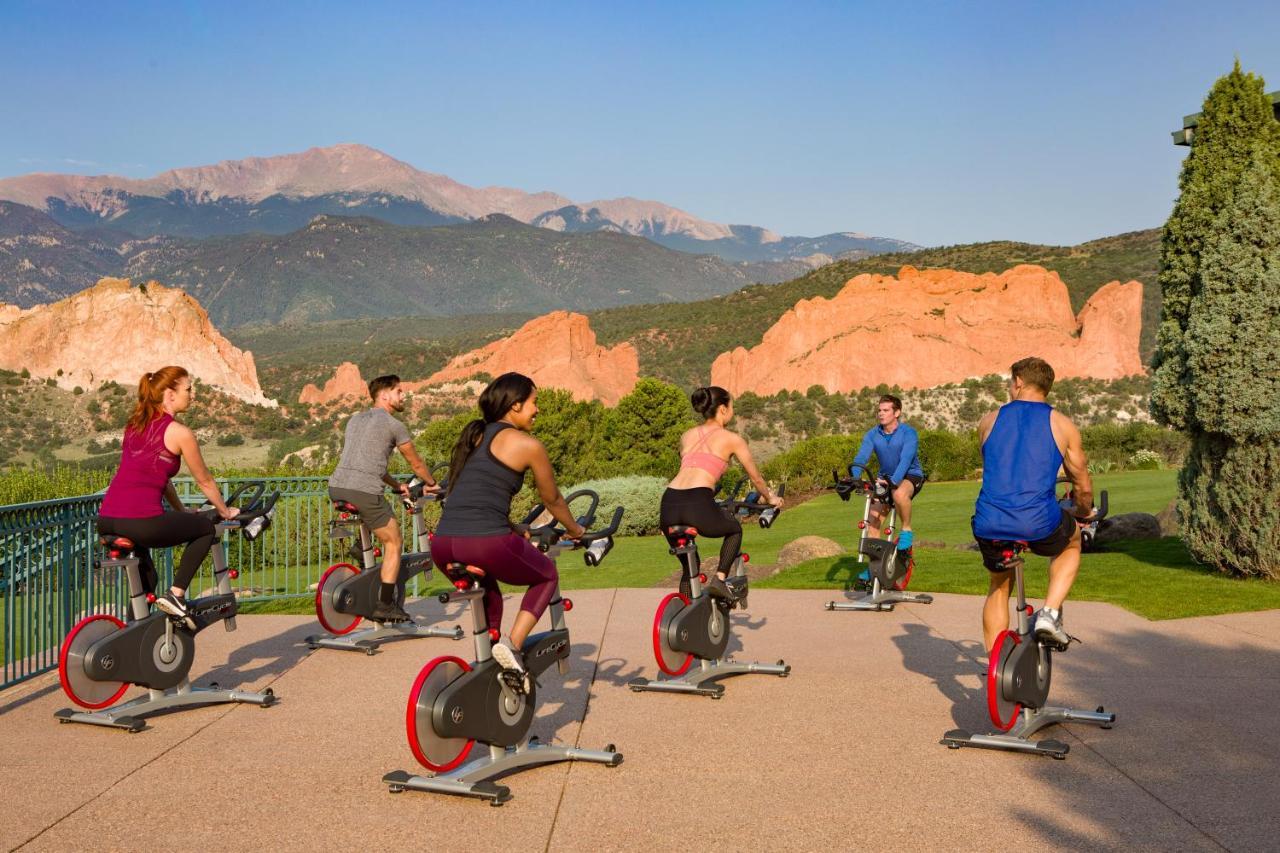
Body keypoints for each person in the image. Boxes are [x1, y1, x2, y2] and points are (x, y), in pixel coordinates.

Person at [430, 372, 585, 688]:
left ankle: (486, 673)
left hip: (443, 543)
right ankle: (512, 647)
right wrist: (577, 531)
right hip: (487, 542)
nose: (537, 409)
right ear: (515, 406)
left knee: (491, 598)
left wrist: (514, 527)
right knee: (546, 577)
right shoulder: (528, 445)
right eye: (533, 402)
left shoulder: (474, 436)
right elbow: (552, 498)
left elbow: (471, 497)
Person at [97, 367, 239, 623]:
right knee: (205, 528)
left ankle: (132, 638)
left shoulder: (134, 426)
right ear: (170, 394)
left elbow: (159, 479)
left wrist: (181, 510)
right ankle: (176, 595)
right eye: (188, 389)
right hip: (141, 520)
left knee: (147, 579)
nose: (192, 395)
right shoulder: (179, 432)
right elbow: (204, 480)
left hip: (108, 517)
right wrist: (225, 511)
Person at [972, 356, 1095, 651]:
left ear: (1017, 382)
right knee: (1073, 540)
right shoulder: (1063, 425)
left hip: (989, 521)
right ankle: (1050, 614)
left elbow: (1000, 467)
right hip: (1037, 522)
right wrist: (1083, 510)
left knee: (999, 585)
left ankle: (996, 671)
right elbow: (1082, 484)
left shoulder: (988, 420)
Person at [328, 374, 439, 623]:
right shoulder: (394, 425)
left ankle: (360, 546)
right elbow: (416, 462)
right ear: (385, 395)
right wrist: (432, 484)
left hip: (336, 487)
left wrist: (396, 484)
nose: (404, 396)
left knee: (375, 516)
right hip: (363, 490)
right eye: (399, 391)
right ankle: (385, 605)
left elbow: (370, 463)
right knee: (394, 541)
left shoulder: (354, 420)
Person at [661, 386, 783, 602]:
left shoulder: (687, 435)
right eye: (732, 406)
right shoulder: (732, 439)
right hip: (696, 499)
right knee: (734, 529)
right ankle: (719, 579)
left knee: (691, 568)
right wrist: (770, 497)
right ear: (723, 409)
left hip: (669, 501)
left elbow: (691, 469)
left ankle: (683, 613)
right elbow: (756, 479)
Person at [848, 394, 925, 551]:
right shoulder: (872, 434)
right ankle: (876, 566)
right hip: (885, 478)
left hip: (910, 475)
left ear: (896, 413)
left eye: (885, 410)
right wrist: (854, 478)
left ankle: (906, 530)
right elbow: (861, 457)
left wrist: (894, 481)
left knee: (898, 494)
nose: (881, 413)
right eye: (879, 410)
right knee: (872, 522)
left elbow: (906, 459)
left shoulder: (909, 433)